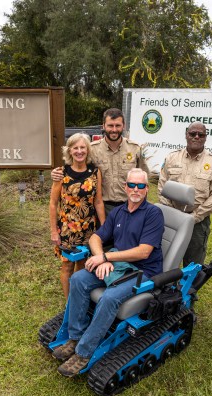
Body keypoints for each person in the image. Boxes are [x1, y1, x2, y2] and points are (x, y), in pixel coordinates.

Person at [53, 168, 164, 377]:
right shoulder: (119, 212)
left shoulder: (153, 214)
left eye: (141, 186)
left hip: (143, 271)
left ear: (147, 189)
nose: (136, 189)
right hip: (118, 264)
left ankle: (84, 352)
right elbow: (96, 238)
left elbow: (144, 251)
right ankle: (76, 336)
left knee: (109, 297)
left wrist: (106, 258)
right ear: (125, 187)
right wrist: (99, 257)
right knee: (77, 279)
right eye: (132, 185)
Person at [52, 108, 150, 215]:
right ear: (103, 126)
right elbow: (74, 167)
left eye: (117, 125)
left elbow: (144, 179)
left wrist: (143, 206)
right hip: (102, 206)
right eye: (110, 125)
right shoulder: (92, 150)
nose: (114, 129)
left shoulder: (135, 149)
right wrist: (56, 173)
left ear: (123, 126)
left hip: (129, 206)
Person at [158, 121, 212, 267]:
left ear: (205, 138)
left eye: (200, 134)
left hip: (198, 223)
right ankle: (168, 289)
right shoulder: (172, 158)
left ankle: (189, 290)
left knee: (192, 266)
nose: (196, 137)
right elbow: (162, 186)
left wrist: (193, 217)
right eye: (192, 133)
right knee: (167, 258)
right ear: (186, 135)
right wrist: (171, 213)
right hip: (171, 220)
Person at [49, 133, 106, 298]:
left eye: (83, 147)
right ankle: (69, 303)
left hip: (88, 229)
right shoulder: (61, 173)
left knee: (82, 264)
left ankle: (77, 298)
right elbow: (53, 204)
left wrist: (104, 228)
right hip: (67, 229)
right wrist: (54, 231)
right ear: (69, 151)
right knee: (67, 266)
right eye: (75, 148)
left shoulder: (95, 172)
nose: (79, 151)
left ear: (88, 150)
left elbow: (99, 202)